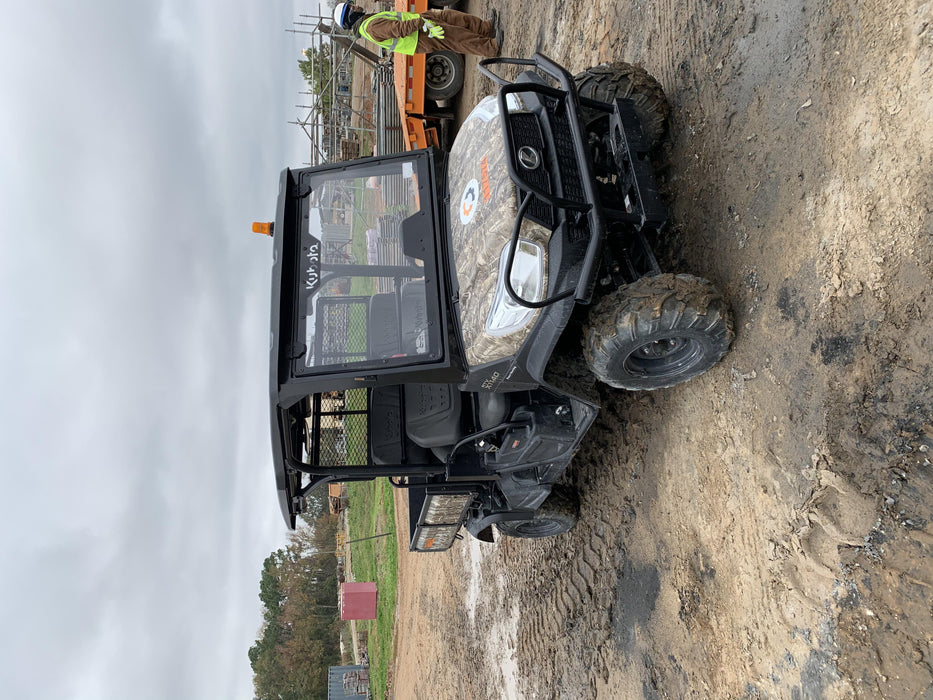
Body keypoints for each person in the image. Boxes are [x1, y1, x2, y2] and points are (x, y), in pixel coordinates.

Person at [332, 2, 502, 58]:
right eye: (352, 7)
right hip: (419, 35)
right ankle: (490, 48)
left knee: (453, 18)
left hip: (420, 24)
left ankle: (485, 29)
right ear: (350, 16)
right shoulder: (370, 27)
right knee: (455, 37)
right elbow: (398, 29)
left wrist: (421, 18)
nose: (356, 6)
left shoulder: (368, 21)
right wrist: (420, 22)